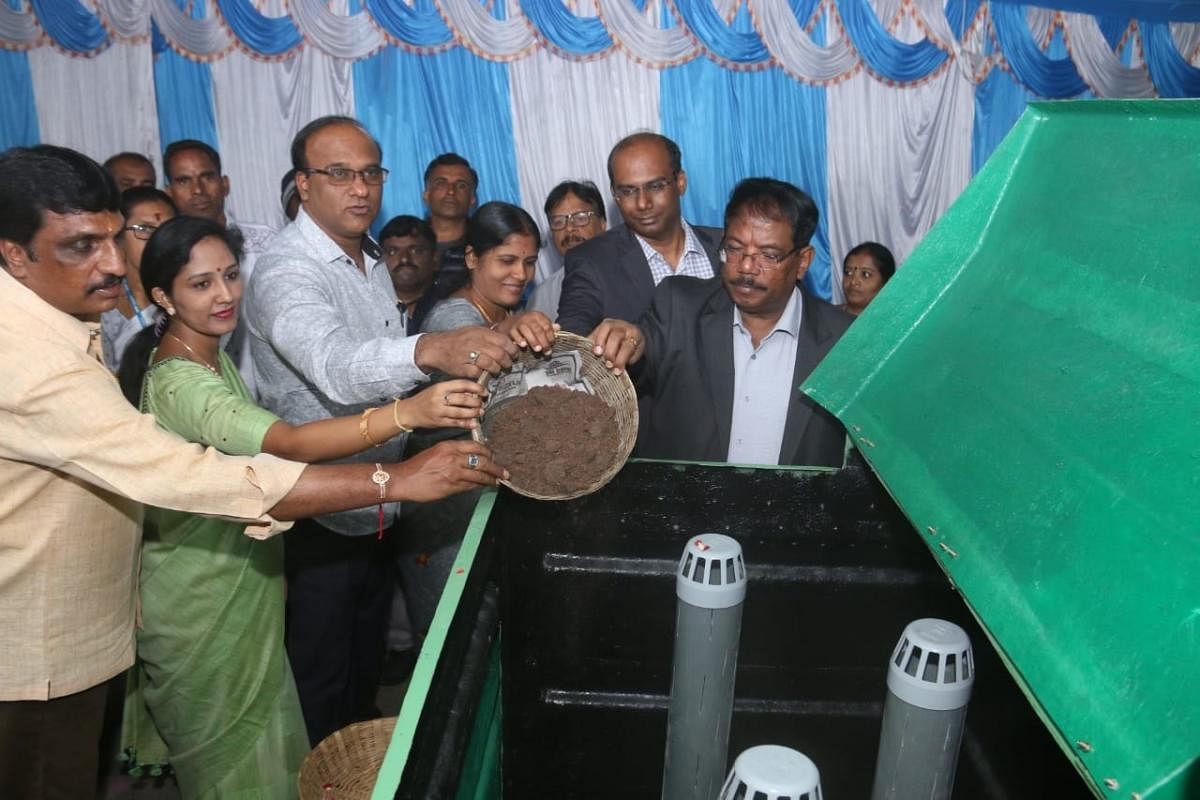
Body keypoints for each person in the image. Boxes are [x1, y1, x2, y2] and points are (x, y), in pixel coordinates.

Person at [0, 144, 505, 798]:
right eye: (78, 247)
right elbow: (215, 469)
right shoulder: (46, 365)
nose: (108, 264)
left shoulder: (91, 328)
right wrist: (398, 466)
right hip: (44, 652)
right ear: (15, 254)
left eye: (110, 238)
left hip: (123, 615)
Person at [116, 216, 488, 798]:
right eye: (200, 284)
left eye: (232, 276)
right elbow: (286, 445)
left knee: (273, 747)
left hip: (244, 578)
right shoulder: (180, 382)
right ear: (162, 296)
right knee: (232, 767)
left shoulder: (211, 355)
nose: (225, 295)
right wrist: (408, 420)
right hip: (200, 598)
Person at [245, 115, 521, 745]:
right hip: (320, 505)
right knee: (319, 673)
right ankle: (321, 780)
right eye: (339, 173)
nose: (360, 188)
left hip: (381, 497)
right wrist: (434, 348)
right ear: (302, 184)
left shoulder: (366, 258)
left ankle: (360, 766)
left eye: (370, 172)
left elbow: (381, 374)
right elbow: (339, 370)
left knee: (365, 669)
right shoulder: (288, 271)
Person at [590, 177, 852, 468]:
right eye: (735, 248)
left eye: (768, 255)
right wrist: (632, 343)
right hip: (687, 510)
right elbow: (644, 351)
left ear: (803, 261)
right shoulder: (679, 307)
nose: (747, 267)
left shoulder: (843, 340)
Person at [556, 132, 722, 335]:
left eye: (655, 186)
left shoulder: (727, 246)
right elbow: (572, 336)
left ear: (680, 182)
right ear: (615, 195)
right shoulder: (591, 262)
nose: (643, 203)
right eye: (628, 191)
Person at [163, 138, 267, 396]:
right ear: (169, 192)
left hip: (271, 396)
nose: (197, 190)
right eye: (184, 180)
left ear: (225, 184)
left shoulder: (265, 242)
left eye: (206, 176)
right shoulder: (165, 253)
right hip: (202, 394)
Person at [100, 187, 177, 372]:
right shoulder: (101, 303)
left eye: (168, 230)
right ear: (118, 236)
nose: (158, 240)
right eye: (144, 229)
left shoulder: (185, 296)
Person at [527, 180, 608, 320]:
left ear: (602, 224)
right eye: (558, 221)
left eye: (580, 218)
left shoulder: (632, 275)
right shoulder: (541, 296)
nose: (569, 228)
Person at [423, 152, 478, 298]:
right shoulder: (405, 244)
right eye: (441, 183)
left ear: (472, 199)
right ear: (426, 195)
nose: (451, 192)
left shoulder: (485, 247)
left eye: (461, 185)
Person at [381, 214, 439, 335]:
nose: (404, 259)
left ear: (434, 257)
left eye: (416, 250)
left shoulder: (451, 303)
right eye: (392, 251)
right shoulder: (367, 306)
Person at [839, 241, 896, 316]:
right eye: (848, 273)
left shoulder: (896, 324)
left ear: (886, 282)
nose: (853, 282)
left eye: (866, 274)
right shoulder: (824, 318)